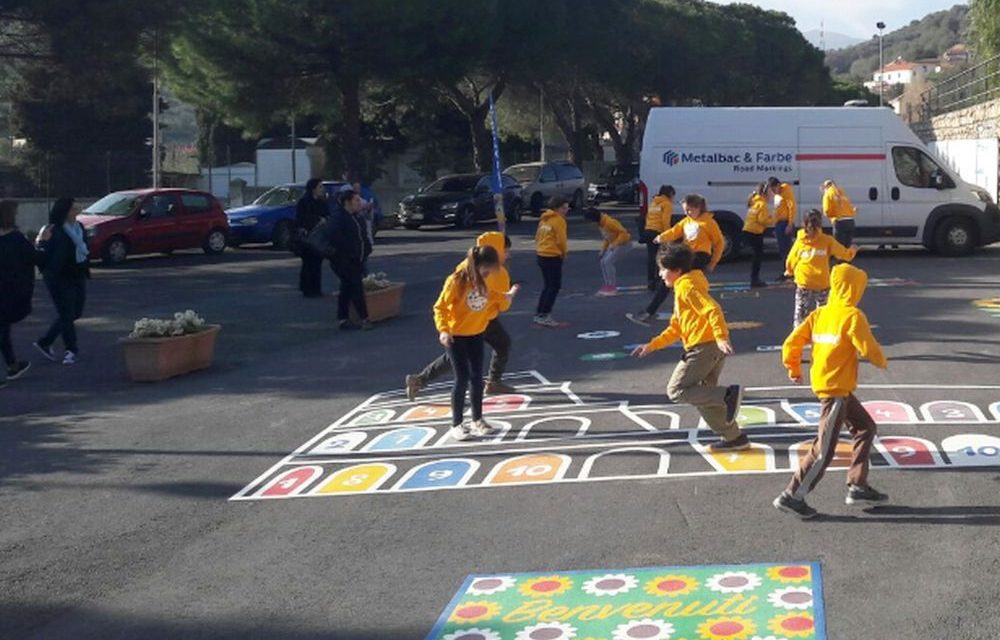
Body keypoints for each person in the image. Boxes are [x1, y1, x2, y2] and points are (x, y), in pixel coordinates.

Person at [774, 263, 889, 519]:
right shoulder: (853, 315)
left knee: (865, 427)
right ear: (854, 289)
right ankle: (792, 495)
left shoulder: (820, 314)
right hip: (835, 390)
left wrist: (794, 368)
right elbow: (867, 346)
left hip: (836, 388)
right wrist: (881, 360)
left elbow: (792, 341)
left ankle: (858, 485)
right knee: (823, 448)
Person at [631, 244, 749, 452]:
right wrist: (651, 346)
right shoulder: (684, 286)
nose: (660, 274)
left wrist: (721, 337)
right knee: (703, 397)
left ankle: (727, 395)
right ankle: (734, 438)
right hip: (709, 347)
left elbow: (713, 309)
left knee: (676, 390)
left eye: (662, 269)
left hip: (704, 348)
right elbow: (676, 328)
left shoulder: (687, 287)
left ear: (676, 271)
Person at [406, 232, 520, 400]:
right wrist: (508, 297)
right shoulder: (500, 272)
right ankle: (421, 379)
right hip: (478, 320)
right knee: (460, 355)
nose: (508, 255)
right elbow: (502, 305)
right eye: (505, 250)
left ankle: (494, 381)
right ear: (494, 251)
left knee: (491, 346)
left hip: (469, 318)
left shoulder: (466, 265)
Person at [434, 244, 512, 441]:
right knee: (462, 378)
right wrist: (443, 330)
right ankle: (457, 424)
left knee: (477, 378)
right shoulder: (456, 281)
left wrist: (507, 297)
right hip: (456, 336)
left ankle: (477, 419)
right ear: (477, 265)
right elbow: (440, 307)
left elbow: (493, 297)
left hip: (477, 333)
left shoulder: (484, 281)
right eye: (486, 270)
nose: (488, 274)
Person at [626, 193, 724, 327]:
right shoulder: (686, 221)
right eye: (685, 210)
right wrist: (660, 237)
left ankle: (650, 312)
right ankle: (654, 311)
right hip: (686, 254)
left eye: (690, 210)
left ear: (699, 207)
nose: (687, 213)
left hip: (700, 256)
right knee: (678, 283)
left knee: (679, 281)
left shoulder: (708, 222)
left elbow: (719, 243)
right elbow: (674, 231)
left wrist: (713, 262)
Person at [34, 198, 90, 365]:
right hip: (58, 277)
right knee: (67, 313)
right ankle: (71, 350)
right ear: (65, 212)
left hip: (77, 273)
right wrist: (43, 242)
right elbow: (41, 254)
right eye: (73, 209)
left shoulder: (79, 228)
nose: (77, 212)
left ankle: (45, 341)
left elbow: (83, 246)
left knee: (76, 312)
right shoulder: (53, 230)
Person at [786, 210, 858, 328]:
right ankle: (822, 330)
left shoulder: (800, 241)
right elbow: (843, 254)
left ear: (804, 224)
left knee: (800, 310)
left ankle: (798, 335)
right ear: (820, 223)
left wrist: (789, 271)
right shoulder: (827, 240)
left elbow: (791, 259)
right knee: (823, 309)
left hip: (804, 279)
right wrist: (852, 251)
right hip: (821, 281)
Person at [0, 200, 37, 387]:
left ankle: (12, 365)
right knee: (2, 330)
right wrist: (43, 241)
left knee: (3, 331)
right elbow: (35, 258)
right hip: (9, 292)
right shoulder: (17, 239)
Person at [329, 189, 373, 330]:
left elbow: (363, 237)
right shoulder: (339, 219)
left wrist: (366, 250)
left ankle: (342, 318)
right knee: (356, 288)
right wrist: (350, 255)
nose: (359, 203)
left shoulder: (357, 217)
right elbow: (337, 240)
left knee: (346, 288)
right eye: (356, 200)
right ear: (347, 202)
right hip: (345, 261)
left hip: (358, 259)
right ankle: (364, 319)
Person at [534, 196, 569, 327]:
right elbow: (561, 240)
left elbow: (537, 236)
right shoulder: (559, 220)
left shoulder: (544, 219)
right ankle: (545, 314)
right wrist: (564, 253)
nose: (566, 210)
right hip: (552, 255)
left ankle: (540, 313)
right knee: (554, 286)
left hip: (541, 254)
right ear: (557, 208)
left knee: (547, 285)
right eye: (564, 208)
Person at [583, 207, 633, 296]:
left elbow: (623, 233)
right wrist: (603, 250)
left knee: (608, 262)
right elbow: (607, 238)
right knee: (603, 262)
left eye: (590, 221)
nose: (590, 224)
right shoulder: (601, 225)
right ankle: (608, 284)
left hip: (624, 244)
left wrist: (615, 244)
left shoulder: (609, 222)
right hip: (614, 244)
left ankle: (611, 286)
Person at [293, 178, 328, 298]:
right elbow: (300, 219)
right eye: (320, 187)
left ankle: (316, 289)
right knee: (308, 263)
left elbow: (327, 214)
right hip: (308, 236)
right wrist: (316, 220)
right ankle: (307, 289)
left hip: (319, 237)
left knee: (317, 263)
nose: (322, 190)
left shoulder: (322, 202)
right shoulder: (304, 202)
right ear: (313, 189)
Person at [643, 185, 675, 290]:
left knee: (651, 257)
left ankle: (650, 280)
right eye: (673, 195)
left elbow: (648, 217)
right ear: (670, 194)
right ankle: (658, 280)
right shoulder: (667, 204)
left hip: (648, 230)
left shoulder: (654, 202)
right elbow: (665, 222)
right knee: (659, 257)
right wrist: (668, 236)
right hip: (657, 232)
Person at [742, 183, 773, 288]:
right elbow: (762, 220)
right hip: (755, 232)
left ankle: (754, 278)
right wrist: (772, 219)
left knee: (757, 255)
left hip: (748, 230)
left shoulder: (755, 201)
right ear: (765, 194)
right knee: (758, 257)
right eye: (769, 193)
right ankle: (755, 280)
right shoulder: (762, 204)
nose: (771, 195)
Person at [768, 177, 797, 282]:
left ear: (778, 185)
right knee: (782, 249)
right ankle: (787, 270)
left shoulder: (786, 191)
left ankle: (789, 271)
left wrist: (789, 224)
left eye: (774, 188)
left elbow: (792, 208)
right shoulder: (778, 194)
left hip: (785, 223)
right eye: (771, 189)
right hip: (779, 223)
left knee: (786, 249)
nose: (773, 191)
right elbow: (777, 209)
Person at [822, 179, 857, 250]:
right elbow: (850, 208)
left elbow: (826, 211)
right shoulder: (842, 193)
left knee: (839, 248)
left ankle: (840, 260)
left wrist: (831, 216)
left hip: (840, 222)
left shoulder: (828, 193)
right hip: (850, 221)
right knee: (847, 248)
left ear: (826, 186)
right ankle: (847, 260)